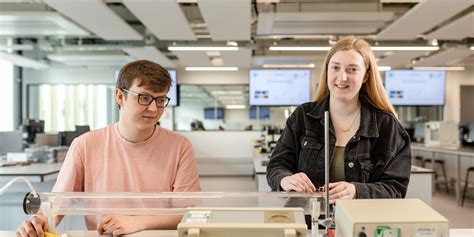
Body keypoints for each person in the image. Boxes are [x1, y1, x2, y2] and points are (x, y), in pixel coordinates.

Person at [17, 60, 201, 236]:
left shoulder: (179, 146)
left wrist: (137, 222)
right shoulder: (85, 145)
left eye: (160, 100)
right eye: (144, 98)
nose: (154, 109)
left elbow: (188, 213)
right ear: (120, 96)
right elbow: (58, 203)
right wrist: (40, 221)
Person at [266, 36, 411, 203]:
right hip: (306, 222)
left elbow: (396, 188)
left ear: (365, 76)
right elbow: (276, 166)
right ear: (327, 70)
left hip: (359, 224)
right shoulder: (303, 116)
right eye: (335, 68)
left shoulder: (387, 126)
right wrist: (285, 179)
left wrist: (357, 191)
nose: (342, 77)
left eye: (352, 69)